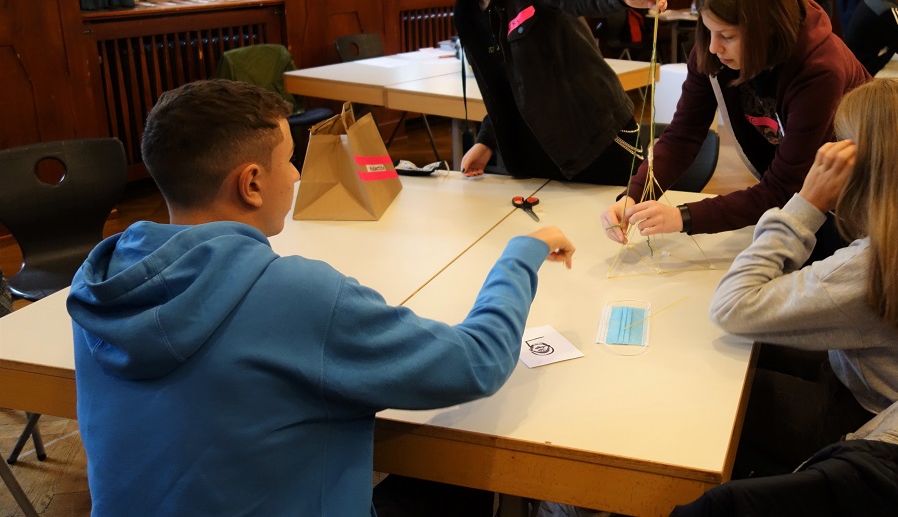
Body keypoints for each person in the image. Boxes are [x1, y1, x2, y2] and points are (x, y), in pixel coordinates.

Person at [67, 79, 576, 516]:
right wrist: (521, 253)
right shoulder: (295, 295)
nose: (296, 174)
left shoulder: (103, 284)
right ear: (251, 184)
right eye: (289, 160)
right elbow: (477, 362)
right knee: (463, 483)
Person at [709, 77, 898, 478]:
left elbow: (731, 306)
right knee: (749, 354)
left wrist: (806, 203)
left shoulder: (871, 269)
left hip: (858, 423)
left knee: (720, 389)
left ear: (866, 167)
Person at [599, 0, 870, 244]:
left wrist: (683, 217)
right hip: (799, 204)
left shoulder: (820, 69)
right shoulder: (714, 50)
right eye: (708, 30)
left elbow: (785, 188)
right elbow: (683, 136)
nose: (713, 47)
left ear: (768, 28)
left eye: (727, 36)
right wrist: (634, 195)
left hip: (858, 207)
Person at [415, 0, 667, 185]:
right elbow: (501, 88)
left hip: (596, 135)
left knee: (618, 213)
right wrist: (487, 140)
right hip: (538, 153)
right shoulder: (466, 12)